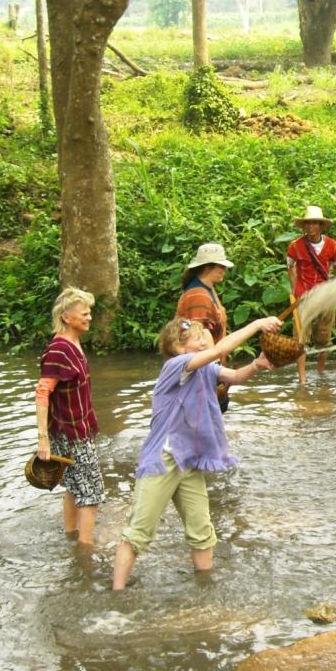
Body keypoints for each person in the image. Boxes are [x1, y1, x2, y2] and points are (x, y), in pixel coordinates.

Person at [111, 314, 282, 590]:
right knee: (139, 531)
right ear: (179, 348)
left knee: (202, 530)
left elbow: (235, 377)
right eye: (198, 337)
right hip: (163, 459)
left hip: (190, 459)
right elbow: (220, 350)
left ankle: (206, 588)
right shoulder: (176, 366)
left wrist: (256, 365)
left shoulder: (206, 370)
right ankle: (115, 595)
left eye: (205, 335)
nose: (206, 340)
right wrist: (257, 325)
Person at [35, 287, 105, 547]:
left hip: (75, 429)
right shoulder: (59, 350)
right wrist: (43, 439)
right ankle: (86, 552)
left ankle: (71, 536)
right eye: (84, 313)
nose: (89, 318)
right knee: (92, 493)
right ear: (66, 316)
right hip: (71, 434)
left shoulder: (73, 343)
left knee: (75, 486)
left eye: (90, 313)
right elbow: (42, 393)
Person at [286, 206, 336, 384]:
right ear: (304, 226)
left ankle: (320, 372)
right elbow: (291, 266)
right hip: (304, 296)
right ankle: (302, 379)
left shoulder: (332, 245)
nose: (311, 227)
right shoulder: (296, 246)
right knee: (300, 339)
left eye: (315, 223)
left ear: (321, 225)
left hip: (325, 296)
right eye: (308, 223)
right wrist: (295, 289)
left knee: (324, 337)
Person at [177, 242, 233, 411]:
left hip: (209, 368)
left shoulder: (207, 289)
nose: (224, 270)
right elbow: (200, 336)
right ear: (207, 267)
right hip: (202, 372)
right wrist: (216, 374)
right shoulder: (198, 295)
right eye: (220, 266)